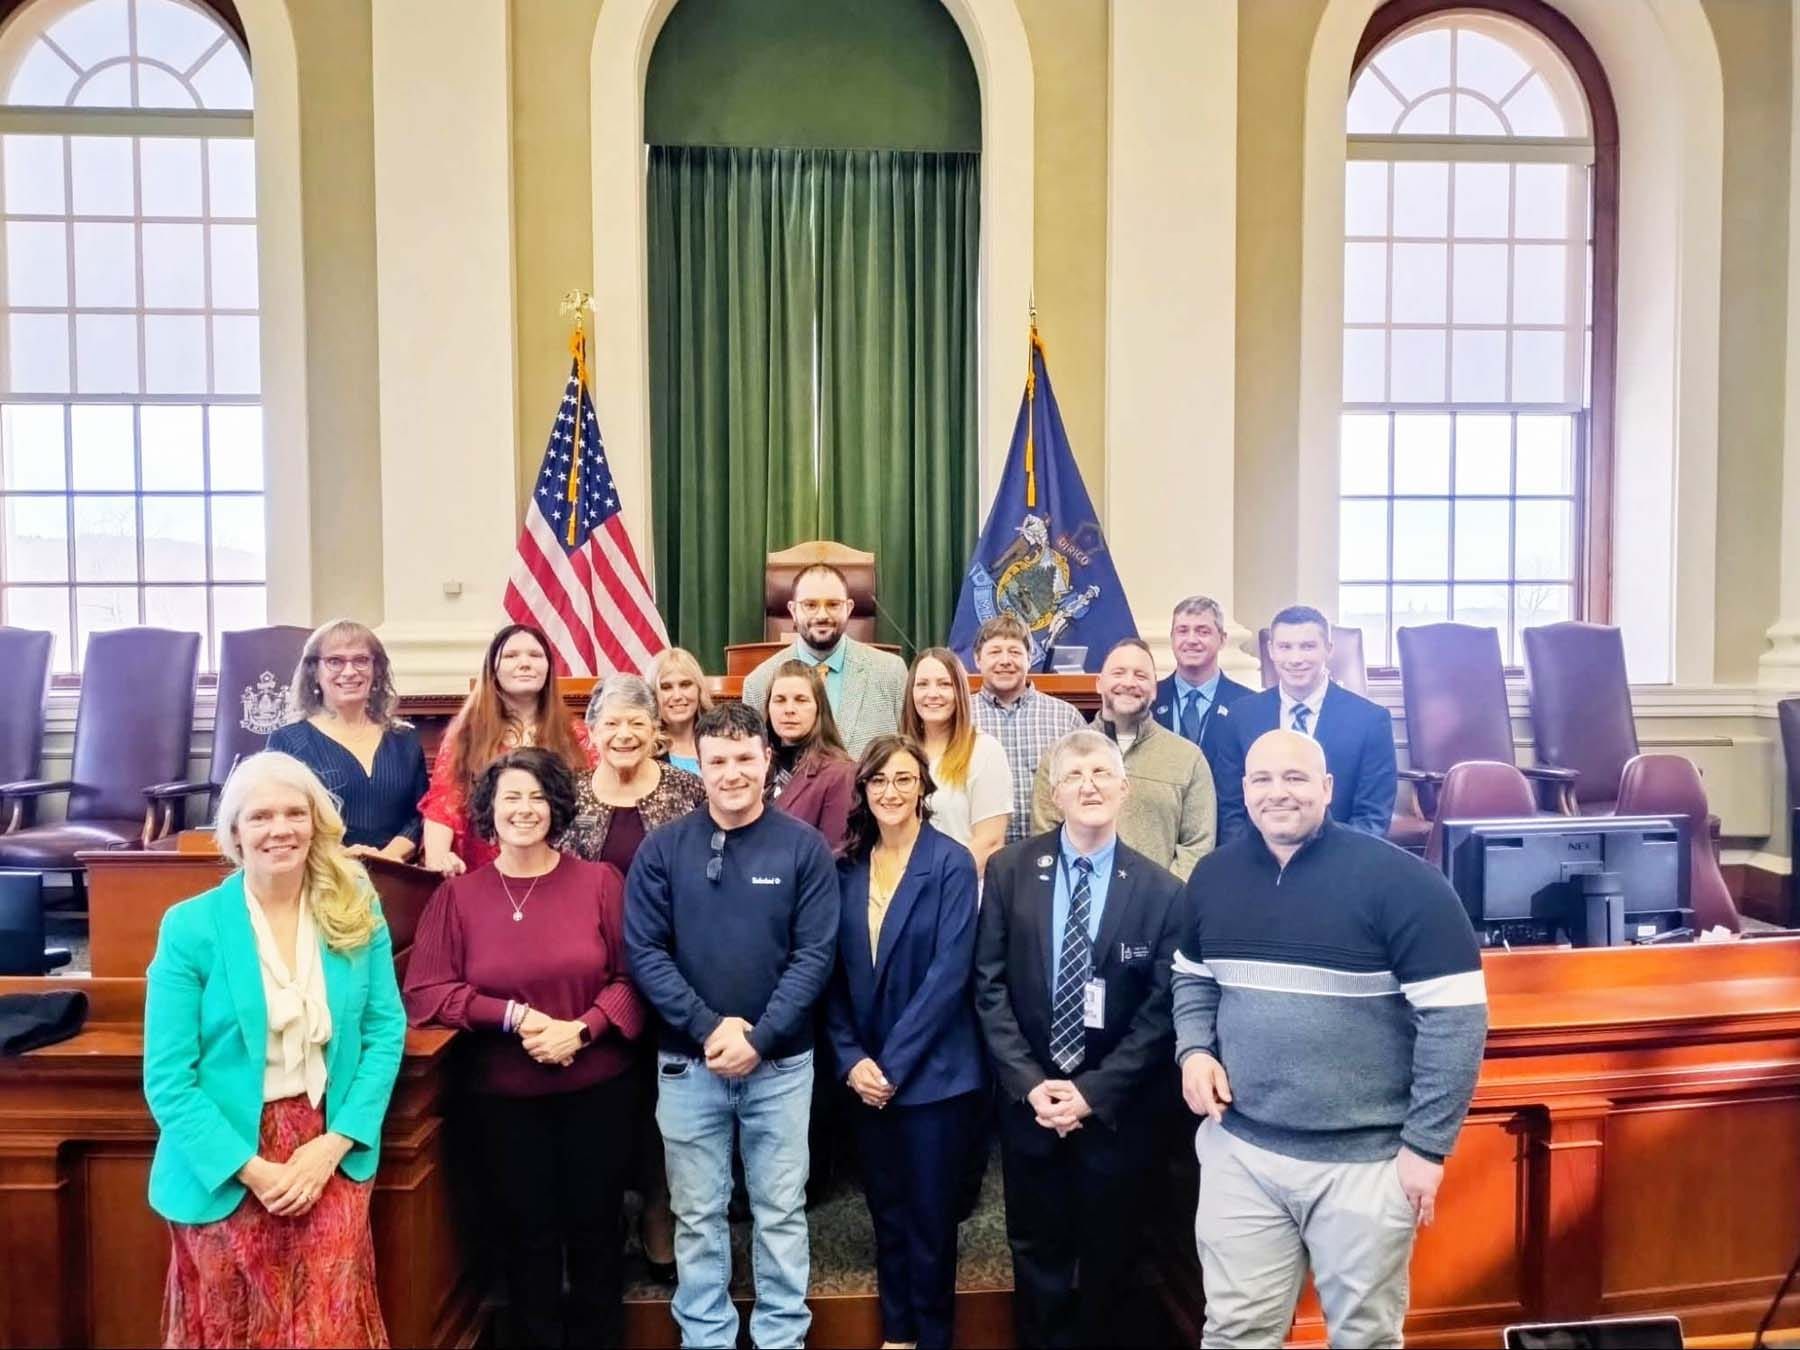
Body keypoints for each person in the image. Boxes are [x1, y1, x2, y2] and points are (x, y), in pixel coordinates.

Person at [1173, 729, 1487, 1348]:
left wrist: (1427, 1147)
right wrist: (1195, 1049)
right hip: (1242, 1152)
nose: (1277, 793)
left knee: (1364, 1337)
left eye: (1294, 778)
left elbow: (1456, 1020)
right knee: (1235, 1331)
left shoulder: (1404, 885)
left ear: (1327, 788)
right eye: (1262, 780)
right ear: (1244, 791)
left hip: (1365, 1166)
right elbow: (1192, 976)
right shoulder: (1212, 878)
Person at [143, 752, 405, 1349]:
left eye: (295, 813)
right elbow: (168, 1080)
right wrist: (253, 1170)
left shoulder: (355, 908)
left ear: (316, 823)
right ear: (234, 832)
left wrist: (333, 1145)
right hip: (227, 1163)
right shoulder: (191, 926)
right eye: (260, 816)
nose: (280, 828)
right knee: (233, 1332)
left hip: (330, 1146)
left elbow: (386, 1032)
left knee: (328, 1331)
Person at [404, 747, 646, 1348]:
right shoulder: (458, 899)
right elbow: (426, 992)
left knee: (597, 1235)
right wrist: (510, 1015)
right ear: (489, 809)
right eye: (511, 796)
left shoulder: (598, 882)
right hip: (504, 1101)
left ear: (557, 806)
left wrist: (581, 1029)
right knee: (526, 1240)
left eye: (537, 796)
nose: (525, 809)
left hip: (599, 1091)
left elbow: (634, 981)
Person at [625, 701, 838, 1350]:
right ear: (701, 765)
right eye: (718, 761)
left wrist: (759, 1037)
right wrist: (713, 1029)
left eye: (746, 758)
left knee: (779, 1213)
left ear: (765, 760)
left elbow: (815, 955)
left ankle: (781, 1338)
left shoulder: (803, 848)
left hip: (781, 1067)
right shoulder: (663, 849)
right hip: (688, 1067)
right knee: (696, 1215)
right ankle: (707, 1338)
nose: (733, 772)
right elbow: (646, 952)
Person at [975, 729, 1186, 1349]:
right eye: (1075, 776)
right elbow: (988, 986)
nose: (1089, 786)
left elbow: (1160, 1010)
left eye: (1102, 774)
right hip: (1029, 1105)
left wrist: (1091, 1093)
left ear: (1124, 789)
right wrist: (1031, 1085)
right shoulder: (1010, 871)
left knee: (1112, 1256)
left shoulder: (1161, 891)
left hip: (1114, 1113)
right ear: (1054, 792)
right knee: (1035, 1251)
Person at [827, 734, 986, 1350]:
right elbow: (829, 975)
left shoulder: (949, 862)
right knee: (886, 1217)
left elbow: (950, 976)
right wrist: (851, 1061)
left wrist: (888, 1066)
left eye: (902, 779)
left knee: (930, 1223)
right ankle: (897, 1335)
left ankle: (933, 1337)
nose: (890, 792)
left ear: (923, 786)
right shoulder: (845, 869)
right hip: (864, 1079)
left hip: (934, 1080)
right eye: (877, 781)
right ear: (863, 791)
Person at [559, 673, 704, 1282]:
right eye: (611, 723)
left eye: (636, 723)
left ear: (657, 732)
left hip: (673, 978)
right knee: (603, 1110)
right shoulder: (564, 796)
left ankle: (660, 1216)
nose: (624, 734)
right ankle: (603, 1219)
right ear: (590, 733)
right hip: (588, 984)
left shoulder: (687, 792)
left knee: (663, 1111)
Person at [1031, 638, 1215, 880]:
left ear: (1155, 689)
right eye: (1118, 673)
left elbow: (1197, 845)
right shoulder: (1060, 755)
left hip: (1159, 910)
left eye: (1140, 675)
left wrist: (1165, 899)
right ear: (1098, 683)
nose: (1129, 683)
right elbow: (1046, 836)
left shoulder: (1188, 759)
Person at [1212, 605, 1397, 843]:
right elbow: (1231, 811)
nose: (1296, 659)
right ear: (1271, 651)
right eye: (1285, 647)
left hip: (1339, 864)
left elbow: (1372, 817)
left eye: (1308, 647)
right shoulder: (1241, 716)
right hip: (1259, 864)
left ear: (1328, 649)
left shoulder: (1370, 721)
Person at [420, 623, 595, 875]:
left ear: (548, 668)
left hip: (558, 870)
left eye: (535, 656)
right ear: (493, 669)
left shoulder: (575, 734)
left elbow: (594, 804)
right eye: (511, 656)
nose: (525, 663)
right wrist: (438, 859)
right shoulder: (467, 732)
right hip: (487, 874)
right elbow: (444, 804)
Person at [268, 619, 428, 861]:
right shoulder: (288, 742)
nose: (350, 671)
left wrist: (387, 858)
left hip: (397, 874)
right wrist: (342, 857)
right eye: (335, 661)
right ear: (314, 672)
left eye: (361, 660)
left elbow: (421, 813)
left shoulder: (404, 739)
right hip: (320, 873)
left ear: (377, 670)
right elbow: (280, 817)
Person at [742, 562, 907, 757]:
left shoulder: (890, 672)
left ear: (849, 608)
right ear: (793, 610)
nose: (822, 615)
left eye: (833, 604)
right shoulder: (759, 683)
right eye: (810, 605)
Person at [971, 613, 1086, 844]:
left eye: (1014, 652)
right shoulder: (960, 716)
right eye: (994, 652)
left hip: (1051, 853)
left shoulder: (1065, 717)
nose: (1005, 660)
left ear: (1030, 657)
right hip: (978, 854)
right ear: (977, 660)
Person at [903, 646, 1012, 880]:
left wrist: (938, 883)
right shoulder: (898, 752)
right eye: (922, 684)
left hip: (959, 889)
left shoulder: (984, 750)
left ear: (960, 691)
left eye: (944, 684)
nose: (932, 694)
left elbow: (989, 842)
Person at [1150, 595, 1255, 790]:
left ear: (1222, 639)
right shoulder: (1150, 700)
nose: (1191, 640)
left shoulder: (1248, 705)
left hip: (1223, 817)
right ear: (1172, 638)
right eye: (1182, 631)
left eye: (1203, 631)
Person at [765, 659, 858, 852]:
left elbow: (836, 855)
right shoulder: (759, 766)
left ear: (819, 708)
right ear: (768, 708)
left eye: (801, 700)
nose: (789, 709)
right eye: (780, 700)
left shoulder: (840, 773)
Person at [643, 646, 711, 775]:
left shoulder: (721, 739)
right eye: (666, 687)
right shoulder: (643, 750)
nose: (677, 696)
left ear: (699, 689)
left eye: (685, 685)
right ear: (652, 695)